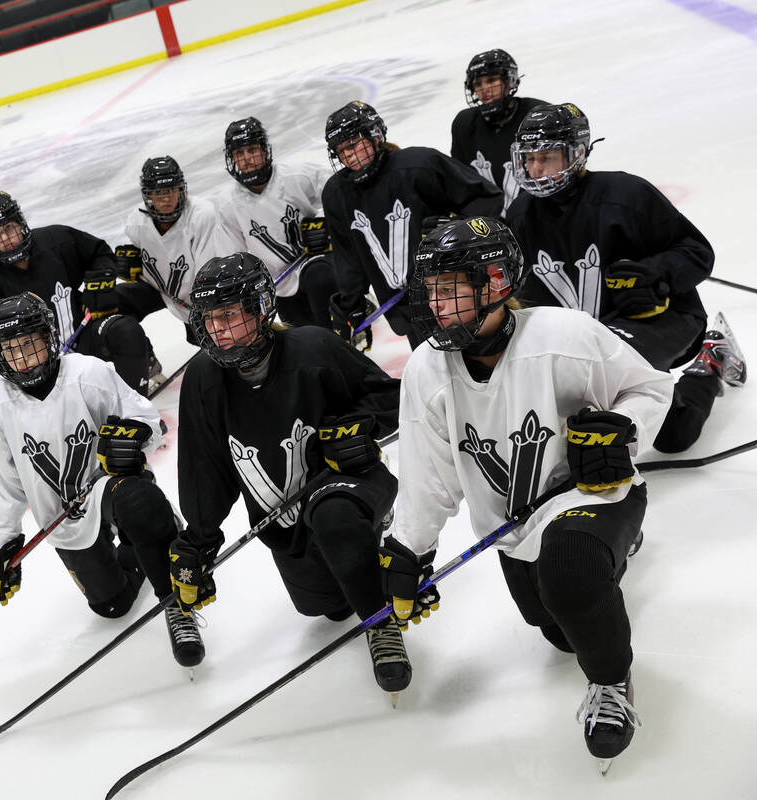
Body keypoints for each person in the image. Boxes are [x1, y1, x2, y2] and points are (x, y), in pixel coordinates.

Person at [387, 216, 673, 765]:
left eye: (451, 289)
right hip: (515, 528)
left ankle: (613, 685)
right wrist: (409, 549)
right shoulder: (428, 368)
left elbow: (650, 386)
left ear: (496, 281)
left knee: (571, 576)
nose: (437, 305)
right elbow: (428, 471)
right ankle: (604, 558)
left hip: (592, 493)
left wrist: (624, 432)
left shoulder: (564, 337)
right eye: (431, 289)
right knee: (559, 629)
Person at [168, 252, 407, 698]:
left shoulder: (312, 347)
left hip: (343, 482)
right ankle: (354, 560)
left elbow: (393, 399)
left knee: (338, 525)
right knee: (326, 608)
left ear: (260, 310)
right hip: (282, 517)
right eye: (209, 320)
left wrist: (361, 427)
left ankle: (381, 622)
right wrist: (196, 542)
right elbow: (205, 466)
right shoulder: (203, 378)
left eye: (228, 316)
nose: (217, 330)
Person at [0, 292, 204, 667]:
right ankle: (145, 541)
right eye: (12, 350)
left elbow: (150, 423)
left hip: (107, 489)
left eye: (30, 344)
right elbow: (6, 486)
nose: (24, 358)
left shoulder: (87, 373)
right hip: (60, 515)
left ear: (48, 338)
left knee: (138, 503)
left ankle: (175, 603)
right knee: (112, 605)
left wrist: (131, 439)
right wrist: (2, 543)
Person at [506, 102, 746, 453]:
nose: (535, 168)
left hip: (661, 318)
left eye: (546, 157)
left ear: (576, 153)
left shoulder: (625, 195)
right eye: (529, 159)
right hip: (586, 339)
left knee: (601, 373)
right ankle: (695, 376)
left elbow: (697, 252)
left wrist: (656, 274)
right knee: (674, 434)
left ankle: (708, 360)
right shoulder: (521, 215)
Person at [322, 100, 502, 351]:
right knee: (441, 379)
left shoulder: (419, 165)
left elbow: (486, 198)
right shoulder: (337, 194)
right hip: (409, 311)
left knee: (484, 361)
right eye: (340, 151)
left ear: (375, 136)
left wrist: (456, 229)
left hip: (457, 295)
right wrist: (350, 306)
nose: (348, 155)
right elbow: (348, 259)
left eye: (353, 144)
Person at [0, 190, 156, 394]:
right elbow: (1, 339)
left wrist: (100, 286)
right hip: (33, 357)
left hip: (83, 334)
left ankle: (137, 413)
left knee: (124, 329)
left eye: (9, 228)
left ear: (20, 223)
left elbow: (100, 253)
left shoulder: (57, 240)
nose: (5, 238)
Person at [214, 116, 338, 328]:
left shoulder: (297, 176)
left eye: (252, 150)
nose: (247, 158)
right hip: (279, 284)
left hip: (316, 263)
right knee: (302, 333)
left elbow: (340, 193)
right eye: (239, 153)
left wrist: (325, 225)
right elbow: (234, 256)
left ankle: (346, 308)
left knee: (320, 281)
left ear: (264, 150)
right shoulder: (227, 204)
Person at [116, 155, 241, 335]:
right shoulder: (137, 221)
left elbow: (211, 273)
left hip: (204, 300)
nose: (166, 199)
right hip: (162, 291)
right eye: (159, 193)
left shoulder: (202, 215)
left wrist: (208, 310)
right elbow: (129, 255)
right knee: (113, 299)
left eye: (170, 191)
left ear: (181, 190)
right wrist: (126, 265)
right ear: (148, 195)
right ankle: (146, 358)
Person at [450, 49, 549, 215]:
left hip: (541, 218)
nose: (484, 89)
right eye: (478, 84)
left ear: (510, 80)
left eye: (491, 80)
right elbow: (459, 182)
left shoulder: (537, 115)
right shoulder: (464, 124)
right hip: (491, 226)